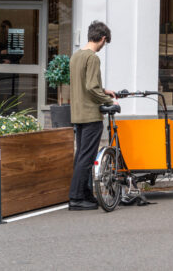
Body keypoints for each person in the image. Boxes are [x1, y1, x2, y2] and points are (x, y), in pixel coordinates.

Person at [68, 21, 116, 211]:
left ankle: (86, 194)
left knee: (81, 155)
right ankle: (76, 198)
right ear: (103, 38)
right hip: (90, 114)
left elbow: (83, 85)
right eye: (106, 42)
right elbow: (90, 87)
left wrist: (104, 90)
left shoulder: (76, 56)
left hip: (78, 114)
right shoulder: (93, 58)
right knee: (86, 158)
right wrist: (109, 101)